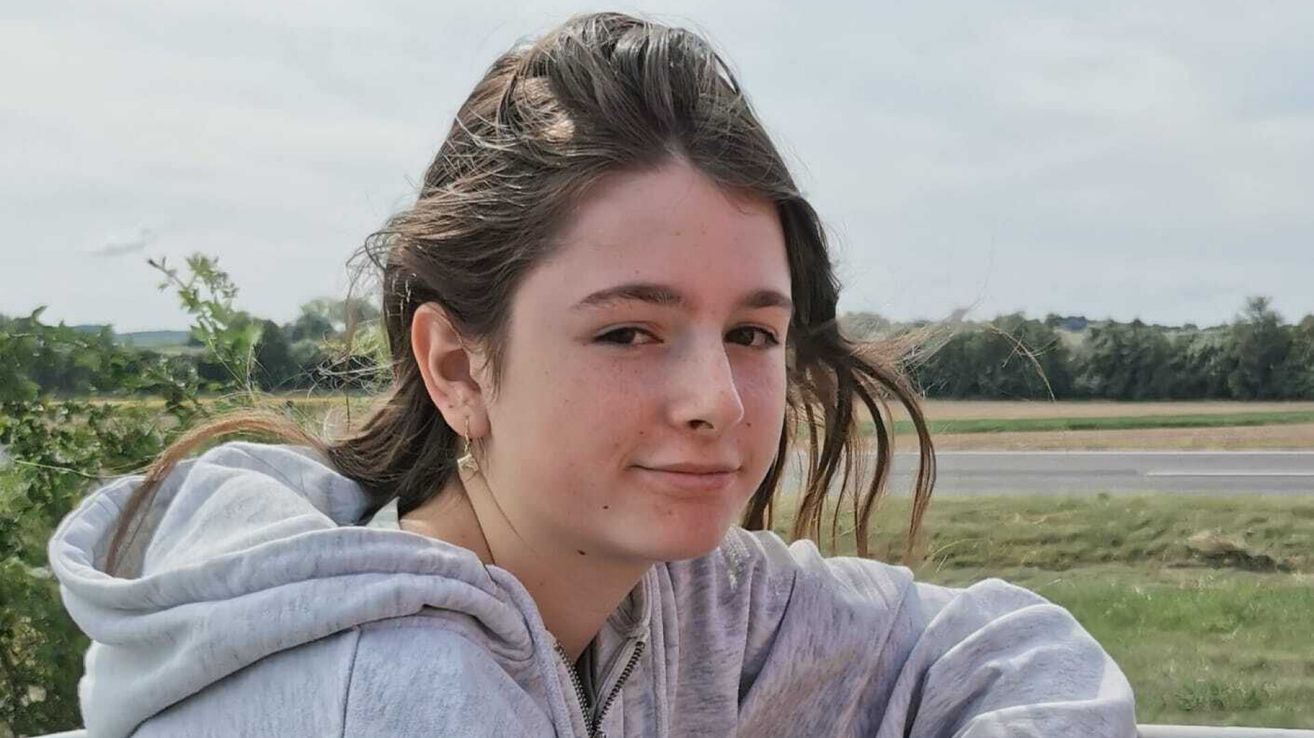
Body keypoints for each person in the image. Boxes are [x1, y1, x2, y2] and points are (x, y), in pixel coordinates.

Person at [46, 12, 1136, 737]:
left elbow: (1005, 649)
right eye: (628, 333)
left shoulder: (673, 599)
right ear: (457, 367)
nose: (716, 400)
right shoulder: (395, 696)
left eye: (752, 333)